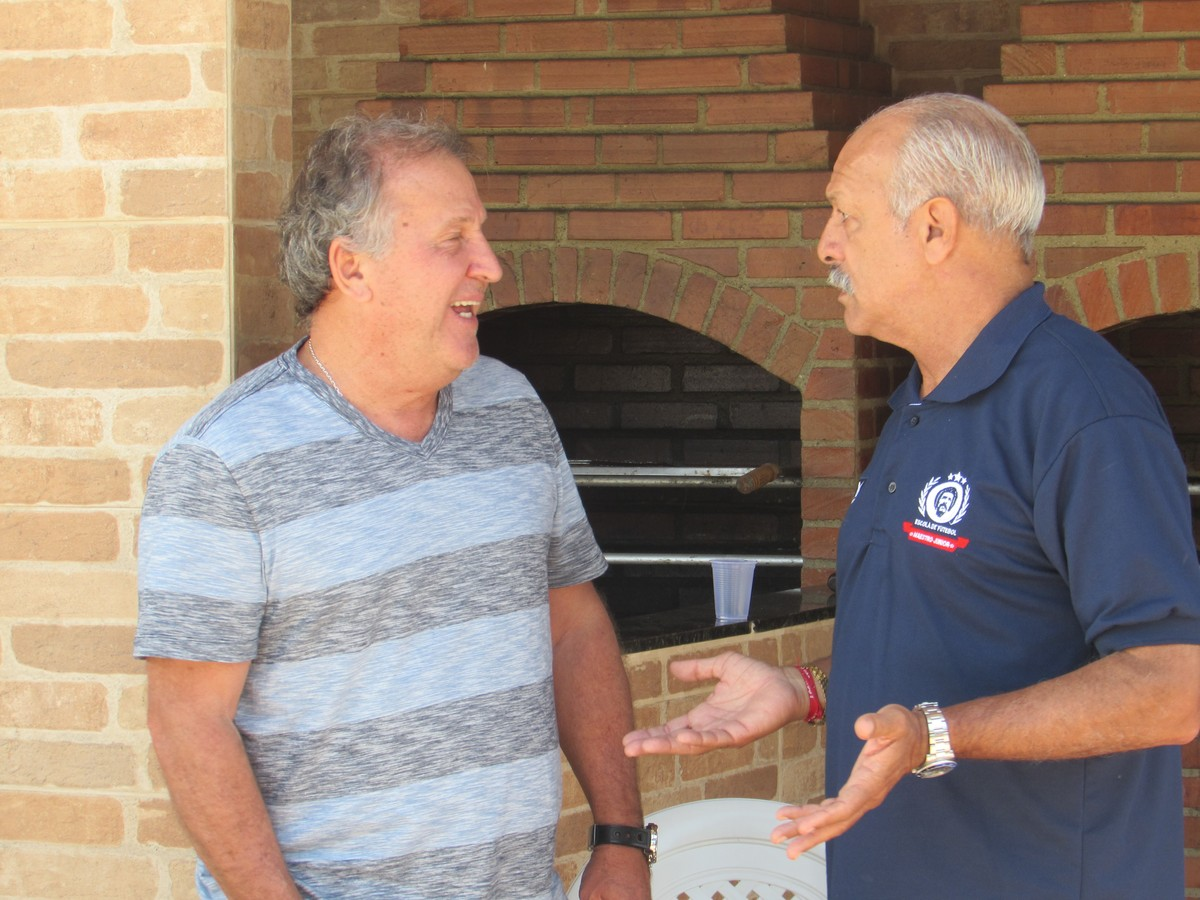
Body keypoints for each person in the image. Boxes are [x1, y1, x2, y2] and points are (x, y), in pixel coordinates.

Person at [623, 93, 1200, 898]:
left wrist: (936, 734)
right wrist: (806, 691)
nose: (824, 245)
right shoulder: (919, 406)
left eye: (844, 216)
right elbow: (955, 630)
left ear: (934, 228)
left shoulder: (1084, 409)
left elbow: (1171, 685)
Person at [136, 112, 652, 900]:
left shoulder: (509, 408)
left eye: (480, 234)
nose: (490, 265)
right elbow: (187, 723)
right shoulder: (223, 461)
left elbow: (574, 626)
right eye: (453, 238)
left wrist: (621, 840)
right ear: (353, 269)